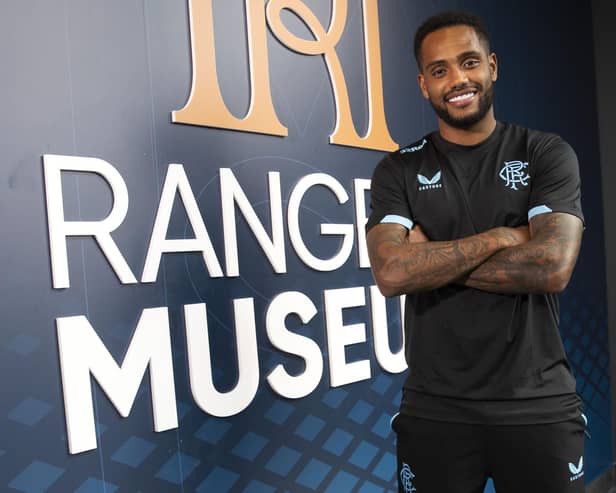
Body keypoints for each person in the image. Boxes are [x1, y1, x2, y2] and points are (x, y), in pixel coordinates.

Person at [366, 10, 585, 493]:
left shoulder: (545, 153)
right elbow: (391, 273)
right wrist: (503, 237)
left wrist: (430, 261)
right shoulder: (398, 170)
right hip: (435, 407)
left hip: (538, 402)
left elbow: (552, 265)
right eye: (439, 70)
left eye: (468, 63)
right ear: (424, 85)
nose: (457, 80)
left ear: (492, 66)